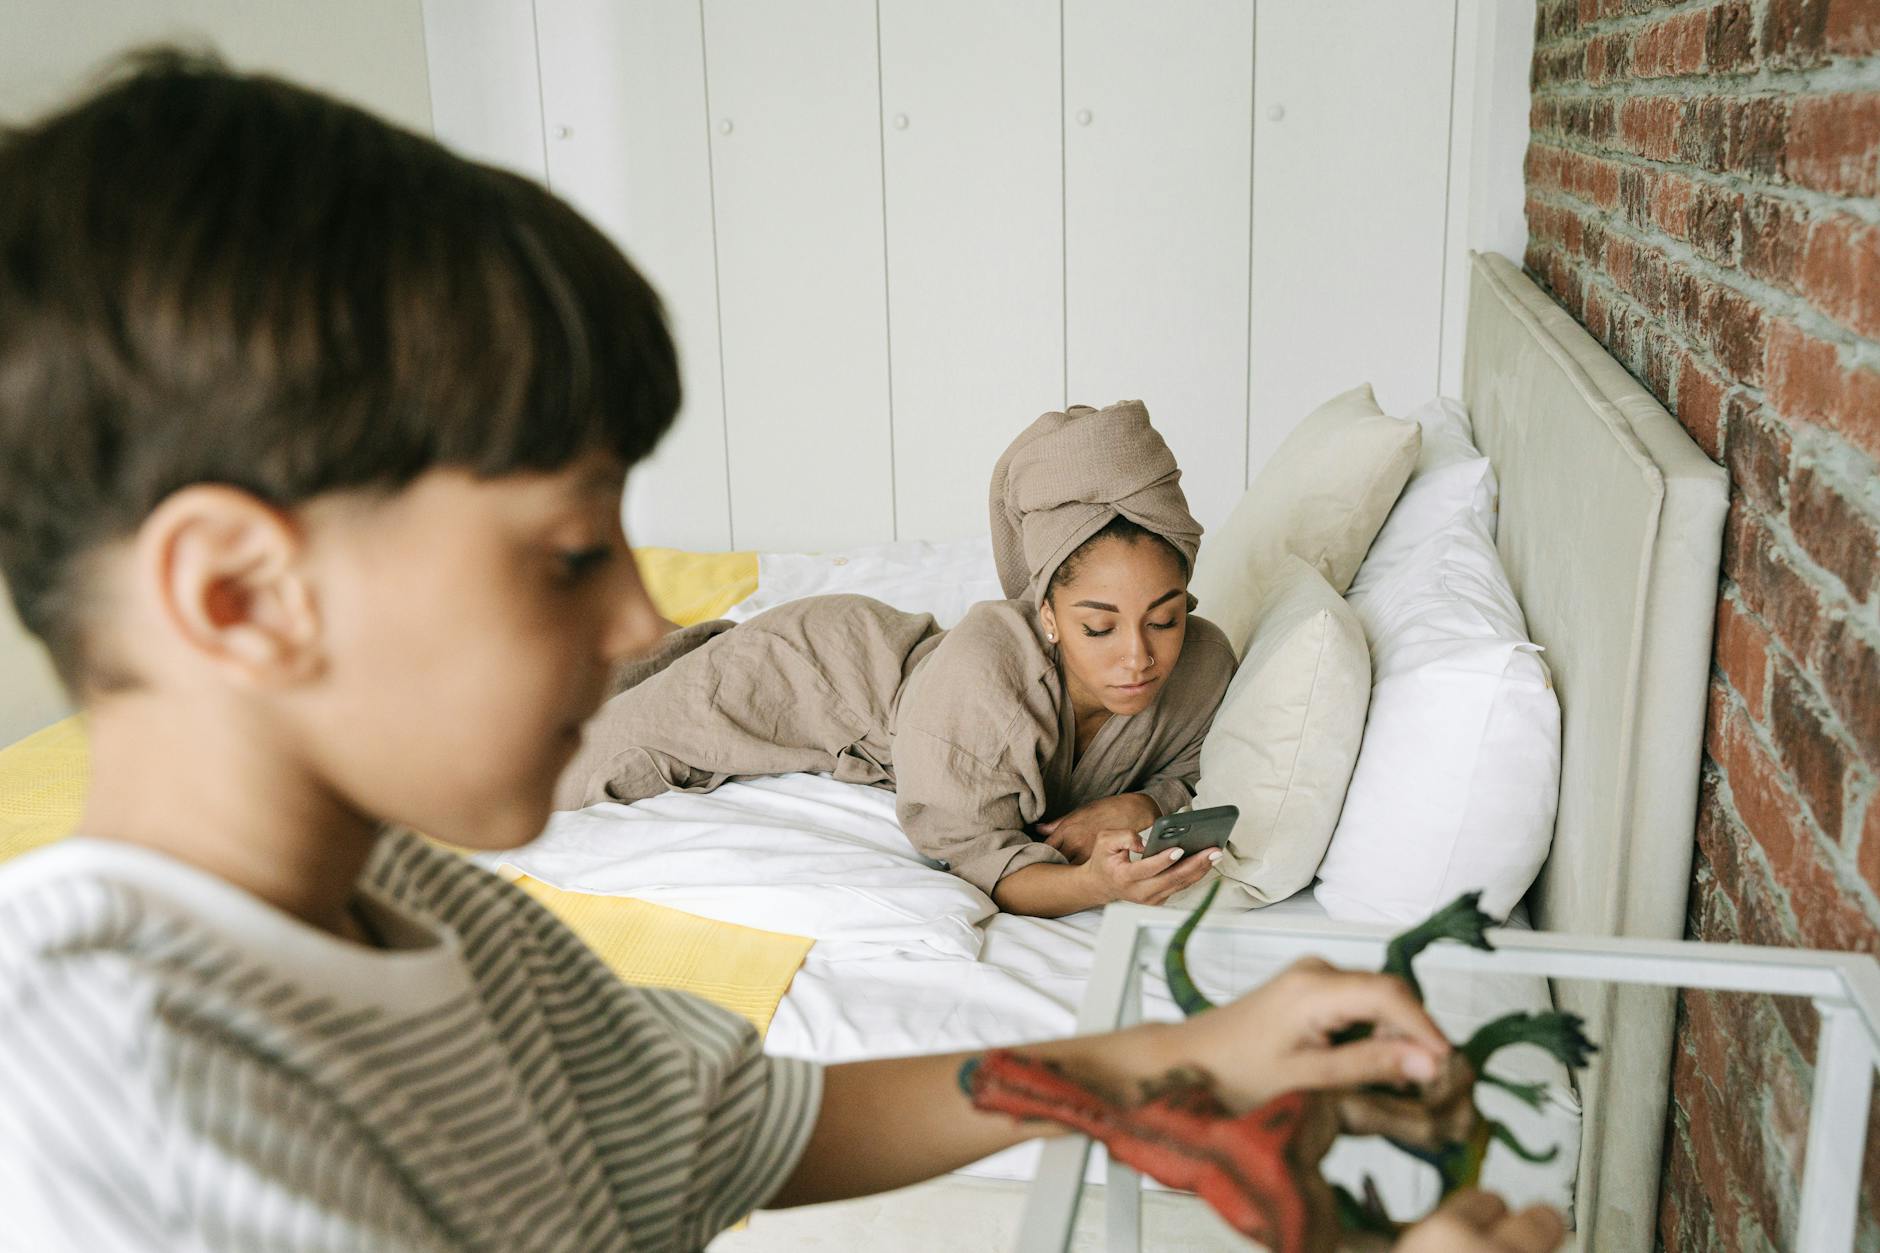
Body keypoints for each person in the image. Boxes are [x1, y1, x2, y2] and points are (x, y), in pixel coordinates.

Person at [0, 51, 1563, 1252]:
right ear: (237, 593)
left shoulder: (419, 909)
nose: (633, 617)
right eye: (563, 554)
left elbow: (738, 1117)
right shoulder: (118, 1117)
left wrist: (1187, 1057)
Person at [555, 399, 1239, 917]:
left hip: (904, 662)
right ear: (1050, 616)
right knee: (569, 760)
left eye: (1165, 617)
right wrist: (1092, 885)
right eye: (1100, 627)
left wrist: (1141, 803)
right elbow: (975, 856)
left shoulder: (1203, 668)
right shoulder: (986, 684)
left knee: (657, 664)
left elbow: (1195, 771)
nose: (1139, 657)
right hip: (814, 670)